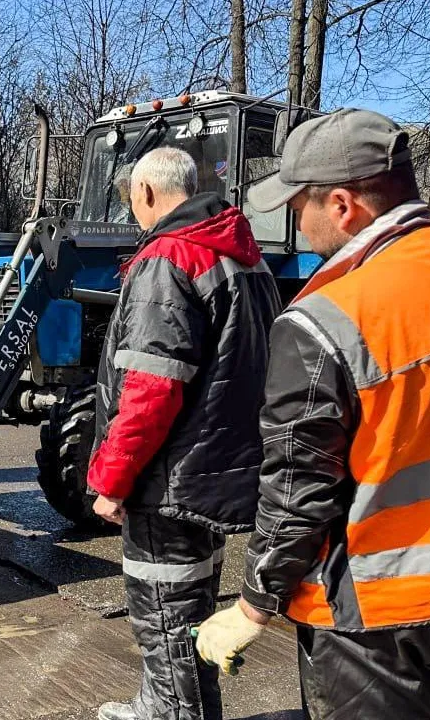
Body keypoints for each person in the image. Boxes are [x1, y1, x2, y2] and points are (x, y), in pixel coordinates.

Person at [196, 108, 430, 718]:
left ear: (341, 205)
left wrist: (253, 605)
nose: (296, 223)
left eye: (297, 205)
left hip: (378, 621)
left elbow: (298, 488)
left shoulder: (327, 320)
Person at [89, 147, 281, 720]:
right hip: (213, 472)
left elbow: (151, 389)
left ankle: (175, 712)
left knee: (165, 609)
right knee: (190, 606)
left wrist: (113, 480)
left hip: (170, 478)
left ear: (146, 192)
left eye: (131, 198)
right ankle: (163, 703)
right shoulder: (242, 256)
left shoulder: (166, 260)